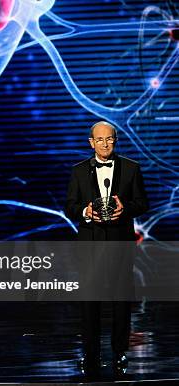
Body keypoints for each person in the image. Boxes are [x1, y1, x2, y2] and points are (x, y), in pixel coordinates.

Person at [65, 121, 148, 373]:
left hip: (120, 244)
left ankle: (120, 353)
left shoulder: (132, 168)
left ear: (115, 140)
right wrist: (85, 211)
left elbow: (142, 203)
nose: (104, 144)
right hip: (89, 246)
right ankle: (91, 355)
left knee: (121, 303)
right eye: (99, 140)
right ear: (91, 143)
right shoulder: (79, 171)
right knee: (90, 304)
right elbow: (70, 205)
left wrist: (125, 210)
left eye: (109, 139)